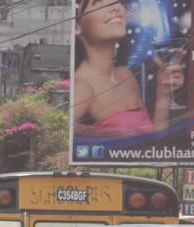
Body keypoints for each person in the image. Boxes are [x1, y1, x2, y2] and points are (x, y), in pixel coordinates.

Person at [72, 0, 184, 136]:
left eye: (118, 2)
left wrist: (163, 94)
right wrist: (99, 133)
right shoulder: (82, 86)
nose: (115, 8)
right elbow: (61, 131)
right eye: (98, 2)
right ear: (77, 27)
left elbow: (155, 142)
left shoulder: (126, 75)